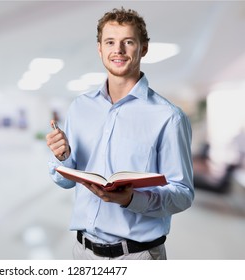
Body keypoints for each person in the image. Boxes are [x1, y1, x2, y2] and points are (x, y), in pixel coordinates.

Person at [46, 7, 194, 260]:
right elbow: (64, 180)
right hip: (82, 252)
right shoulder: (80, 107)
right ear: (99, 49)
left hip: (137, 257)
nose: (118, 50)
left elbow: (182, 194)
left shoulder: (168, 117)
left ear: (143, 48)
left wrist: (131, 199)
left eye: (128, 42)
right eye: (110, 42)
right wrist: (64, 157)